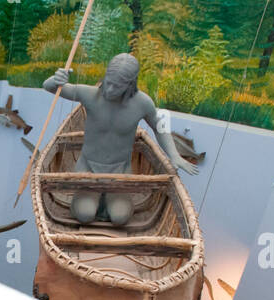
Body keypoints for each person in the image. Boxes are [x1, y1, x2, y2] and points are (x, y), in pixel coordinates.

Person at [43, 54, 199, 226]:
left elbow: (159, 128)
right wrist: (56, 79)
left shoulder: (142, 103)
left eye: (117, 86)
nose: (109, 90)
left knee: (120, 218)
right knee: (85, 215)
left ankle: (108, 202)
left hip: (120, 172)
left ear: (130, 84)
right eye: (108, 82)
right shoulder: (90, 94)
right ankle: (91, 201)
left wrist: (174, 156)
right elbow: (49, 87)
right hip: (88, 170)